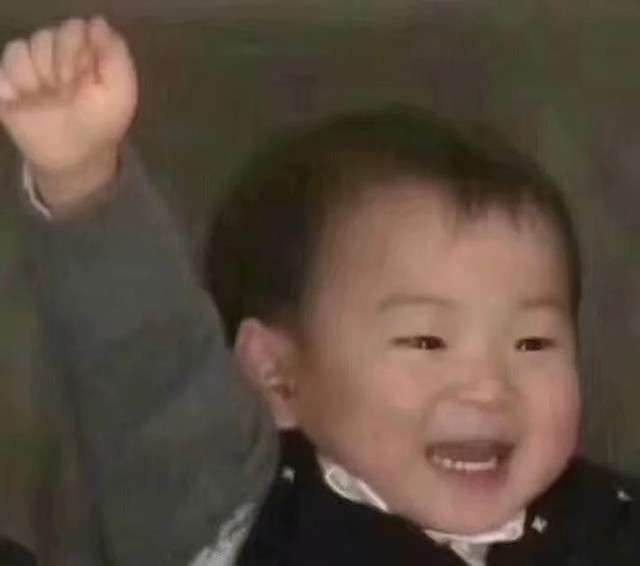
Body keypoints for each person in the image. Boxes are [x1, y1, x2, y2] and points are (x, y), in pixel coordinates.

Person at [0, 16, 638, 566]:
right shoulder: (236, 507)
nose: (489, 385)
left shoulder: (609, 524)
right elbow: (148, 361)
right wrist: (82, 179)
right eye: (426, 340)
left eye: (533, 343)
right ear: (279, 377)